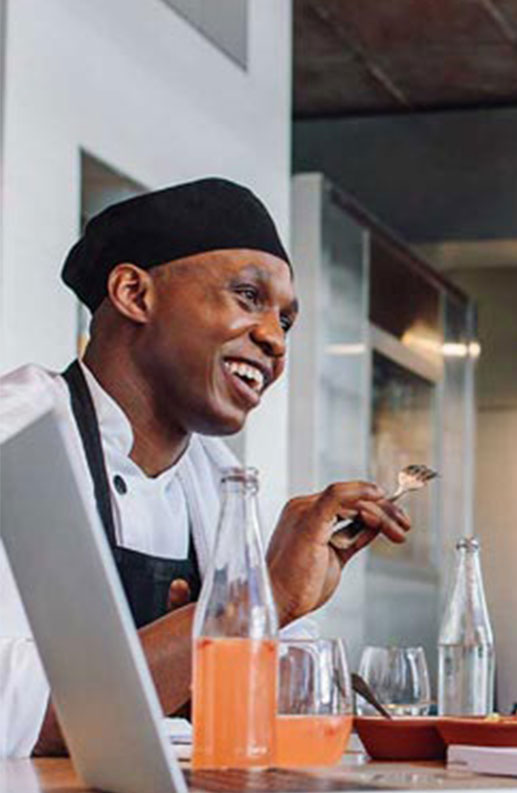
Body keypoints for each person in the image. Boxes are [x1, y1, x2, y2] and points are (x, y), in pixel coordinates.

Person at [0, 178, 412, 756]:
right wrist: (259, 597)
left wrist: (283, 610)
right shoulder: (15, 436)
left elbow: (291, 716)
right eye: (248, 296)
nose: (274, 339)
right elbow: (14, 713)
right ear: (133, 293)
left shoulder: (222, 484)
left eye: (286, 322)